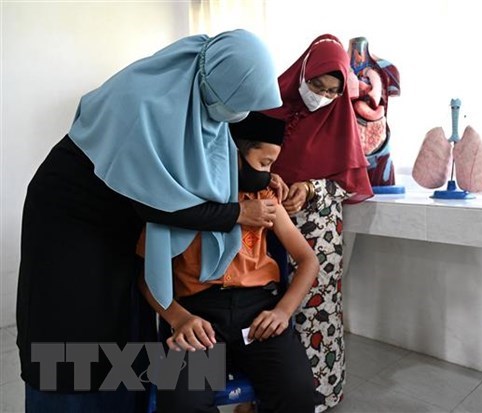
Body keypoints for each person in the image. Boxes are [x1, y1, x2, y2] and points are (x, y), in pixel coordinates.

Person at [16, 29, 285, 413]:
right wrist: (238, 213)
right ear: (220, 81)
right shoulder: (142, 106)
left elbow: (218, 163)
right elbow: (160, 204)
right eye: (236, 103)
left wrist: (263, 179)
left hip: (124, 222)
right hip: (70, 220)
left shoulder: (196, 100)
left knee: (130, 323)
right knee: (74, 329)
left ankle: (125, 404)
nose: (236, 117)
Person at [136, 112, 318, 413]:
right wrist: (179, 319)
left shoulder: (265, 198)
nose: (271, 173)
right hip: (198, 316)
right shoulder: (178, 200)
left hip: (258, 314)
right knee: (181, 403)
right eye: (264, 163)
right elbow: (147, 276)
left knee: (296, 393)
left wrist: (283, 312)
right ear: (231, 153)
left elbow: (307, 259)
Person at [262, 34, 373, 412]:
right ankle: (267, 392)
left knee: (316, 308)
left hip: (319, 226)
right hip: (264, 221)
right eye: (315, 85)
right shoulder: (269, 105)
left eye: (331, 91)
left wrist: (310, 188)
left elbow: (349, 182)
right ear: (303, 71)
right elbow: (245, 157)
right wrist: (269, 183)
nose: (321, 96)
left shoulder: (341, 120)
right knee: (267, 303)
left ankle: (321, 392)